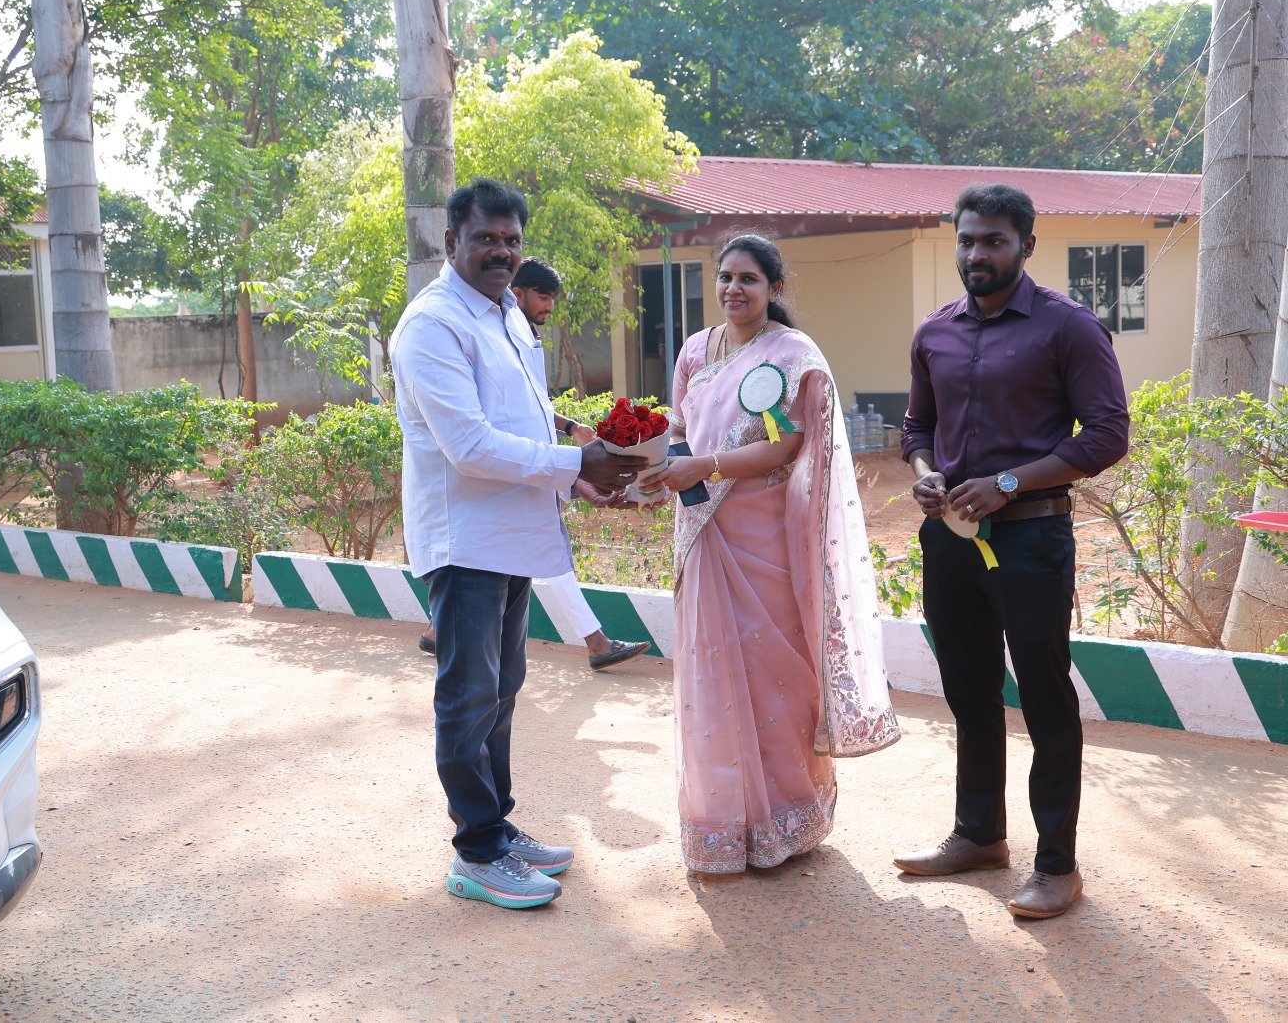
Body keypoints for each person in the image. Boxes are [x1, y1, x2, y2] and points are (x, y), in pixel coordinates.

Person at [390, 179, 646, 909]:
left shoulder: (506, 314)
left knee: (502, 689)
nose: (501, 252)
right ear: (451, 242)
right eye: (485, 239)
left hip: (514, 533)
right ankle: (476, 852)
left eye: (511, 240)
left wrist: (579, 480)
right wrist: (575, 462)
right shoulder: (432, 325)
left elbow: (524, 420)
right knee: (468, 694)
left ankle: (496, 826)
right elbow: (469, 445)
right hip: (466, 539)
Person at [893, 183, 1129, 920]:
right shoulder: (935, 332)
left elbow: (1106, 435)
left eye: (993, 240)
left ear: (1026, 244)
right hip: (950, 537)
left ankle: (1057, 866)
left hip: (1031, 535)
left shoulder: (1068, 328)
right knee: (968, 689)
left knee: (1045, 696)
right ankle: (979, 836)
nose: (977, 254)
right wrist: (927, 474)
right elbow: (916, 429)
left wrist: (1006, 483)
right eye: (967, 240)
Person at [636, 234, 899, 874]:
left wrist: (706, 464)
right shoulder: (695, 350)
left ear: (774, 288)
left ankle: (787, 817)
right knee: (711, 672)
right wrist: (653, 471)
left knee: (775, 675)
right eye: (725, 276)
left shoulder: (791, 354)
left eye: (749, 279)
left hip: (765, 537)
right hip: (703, 528)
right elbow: (679, 431)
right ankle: (723, 824)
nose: (734, 289)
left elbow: (786, 446)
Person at [418, 257, 651, 672]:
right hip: (499, 478)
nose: (549, 306)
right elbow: (477, 434)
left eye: (553, 298)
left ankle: (440, 627)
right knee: (541, 553)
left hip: (531, 468)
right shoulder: (451, 326)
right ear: (517, 293)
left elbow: (532, 406)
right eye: (543, 296)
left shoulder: (522, 334)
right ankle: (596, 642)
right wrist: (577, 465)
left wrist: (571, 433)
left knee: (544, 549)